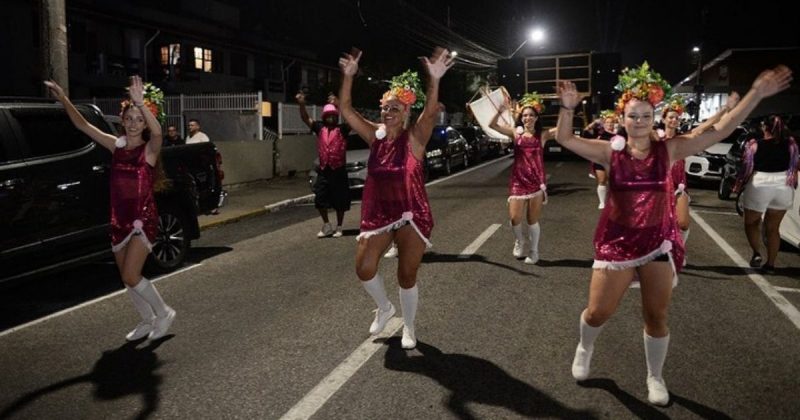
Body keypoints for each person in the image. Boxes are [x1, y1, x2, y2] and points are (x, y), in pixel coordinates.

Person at [555, 62, 791, 406]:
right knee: (597, 312)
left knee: (656, 315)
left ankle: (654, 375)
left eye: (645, 116)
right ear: (623, 119)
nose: (638, 122)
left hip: (656, 244)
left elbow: (721, 130)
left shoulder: (669, 150)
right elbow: (564, 138)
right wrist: (567, 108)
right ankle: (585, 345)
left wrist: (756, 94)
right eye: (632, 116)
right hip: (616, 246)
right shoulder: (610, 154)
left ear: (654, 118)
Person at [45, 76, 177, 341]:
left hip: (142, 218)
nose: (132, 124)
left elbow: (159, 133)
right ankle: (146, 319)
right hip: (120, 219)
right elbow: (82, 124)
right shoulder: (115, 147)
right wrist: (63, 99)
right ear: (122, 120)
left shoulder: (148, 151)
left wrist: (141, 103)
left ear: (145, 123)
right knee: (127, 278)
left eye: (139, 119)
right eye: (129, 118)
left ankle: (163, 313)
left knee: (131, 273)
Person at [338, 47, 454, 349]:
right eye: (385, 108)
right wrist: (348, 76)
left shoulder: (414, 138)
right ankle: (385, 307)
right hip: (379, 213)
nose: (387, 113)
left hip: (411, 213)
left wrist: (434, 79)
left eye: (394, 108)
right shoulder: (372, 136)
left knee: (406, 274)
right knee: (364, 267)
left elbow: (430, 112)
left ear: (405, 113)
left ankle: (409, 326)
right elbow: (347, 109)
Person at [658, 94, 740, 259]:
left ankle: (678, 251)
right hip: (659, 186)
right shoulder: (656, 138)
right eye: (671, 117)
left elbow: (705, 126)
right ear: (664, 119)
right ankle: (656, 254)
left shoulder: (683, 139)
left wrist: (725, 109)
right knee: (658, 224)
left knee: (683, 223)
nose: (674, 120)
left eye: (676, 118)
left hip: (679, 185)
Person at [489, 92, 556, 264]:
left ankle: (534, 252)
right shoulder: (515, 133)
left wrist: (567, 108)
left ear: (537, 117)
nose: (528, 118)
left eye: (531, 115)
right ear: (521, 117)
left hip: (536, 183)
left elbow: (562, 130)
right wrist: (501, 109)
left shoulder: (542, 135)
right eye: (525, 115)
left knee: (532, 220)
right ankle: (519, 241)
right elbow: (492, 125)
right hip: (518, 181)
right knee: (514, 218)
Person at [734, 114, 800, 273]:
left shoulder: (755, 145)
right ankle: (771, 264)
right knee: (773, 228)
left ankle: (756, 253)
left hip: (760, 183)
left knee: (751, 223)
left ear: (764, 128)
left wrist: (738, 185)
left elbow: (746, 169)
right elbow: (795, 165)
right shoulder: (791, 145)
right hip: (783, 185)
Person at [296, 91, 351, 238]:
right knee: (320, 199)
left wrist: (339, 103)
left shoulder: (342, 129)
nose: (331, 117)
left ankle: (339, 226)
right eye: (329, 115)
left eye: (334, 115)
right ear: (325, 117)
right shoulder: (320, 128)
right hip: (324, 170)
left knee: (340, 200)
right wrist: (302, 104)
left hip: (338, 170)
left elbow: (351, 118)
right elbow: (305, 118)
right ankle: (327, 225)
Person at [581, 110, 617, 209]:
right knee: (602, 180)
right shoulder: (599, 133)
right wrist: (595, 122)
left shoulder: (618, 134)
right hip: (600, 160)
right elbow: (586, 131)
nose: (609, 124)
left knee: (614, 182)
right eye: (607, 122)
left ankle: (614, 201)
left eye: (611, 122)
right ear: (604, 124)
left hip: (614, 161)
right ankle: (602, 202)